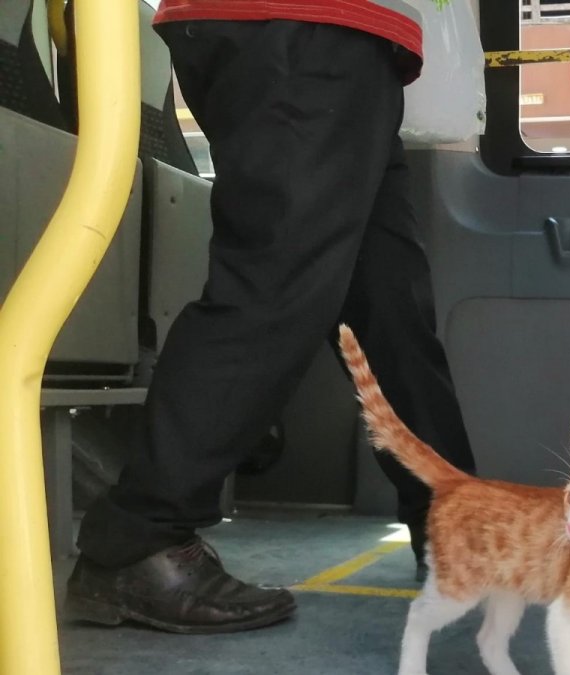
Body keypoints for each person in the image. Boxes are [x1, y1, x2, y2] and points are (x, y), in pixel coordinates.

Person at [65, 0, 476, 634]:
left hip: (347, 37)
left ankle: (457, 524)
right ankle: (136, 542)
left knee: (388, 304)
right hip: (297, 24)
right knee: (273, 286)